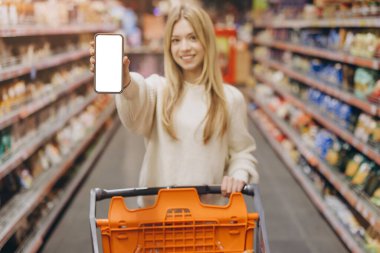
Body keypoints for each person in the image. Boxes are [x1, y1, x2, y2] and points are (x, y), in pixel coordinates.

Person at [90, 3, 258, 206]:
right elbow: (137, 100)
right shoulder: (159, 90)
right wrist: (125, 81)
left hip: (209, 219)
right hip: (158, 220)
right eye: (176, 40)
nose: (184, 48)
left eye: (193, 38)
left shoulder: (230, 99)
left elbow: (242, 152)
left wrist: (238, 174)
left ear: (207, 41)